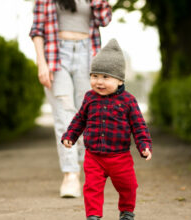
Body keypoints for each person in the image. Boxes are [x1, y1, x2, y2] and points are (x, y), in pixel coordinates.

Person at [61, 39, 153, 220]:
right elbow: (79, 119)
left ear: (119, 80)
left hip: (120, 157)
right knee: (91, 188)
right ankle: (93, 215)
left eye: (105, 77)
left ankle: (127, 212)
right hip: (94, 156)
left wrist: (144, 145)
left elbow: (139, 125)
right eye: (94, 76)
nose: (99, 82)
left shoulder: (128, 100)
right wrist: (70, 135)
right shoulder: (89, 98)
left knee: (129, 186)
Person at [29, 0, 112, 198]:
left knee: (87, 116)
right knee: (64, 116)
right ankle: (70, 175)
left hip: (88, 55)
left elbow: (105, 19)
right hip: (56, 55)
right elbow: (37, 30)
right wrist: (41, 63)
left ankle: (85, 168)